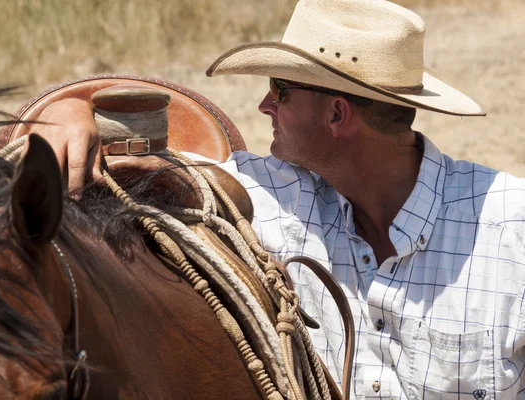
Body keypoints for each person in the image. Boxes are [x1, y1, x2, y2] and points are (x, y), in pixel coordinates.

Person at [35, 0, 525, 398]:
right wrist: (71, 113)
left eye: (280, 90)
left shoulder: (512, 232)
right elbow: (149, 170)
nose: (263, 105)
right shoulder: (282, 195)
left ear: (337, 114)